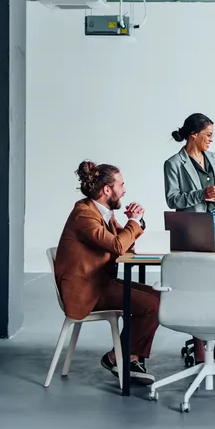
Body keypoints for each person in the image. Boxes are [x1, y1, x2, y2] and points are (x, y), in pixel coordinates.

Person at [54, 161, 159, 384]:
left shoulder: (103, 213)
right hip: (87, 291)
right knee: (152, 305)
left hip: (100, 282)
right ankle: (121, 358)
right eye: (121, 184)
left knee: (159, 297)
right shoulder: (84, 215)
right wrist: (133, 222)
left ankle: (126, 357)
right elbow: (119, 246)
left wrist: (135, 223)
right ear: (107, 190)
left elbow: (124, 242)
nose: (125, 189)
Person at [162, 113, 215, 364]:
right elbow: (172, 199)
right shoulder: (174, 163)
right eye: (208, 135)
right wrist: (201, 194)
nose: (212, 140)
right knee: (200, 287)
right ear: (193, 135)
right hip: (191, 230)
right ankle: (202, 345)